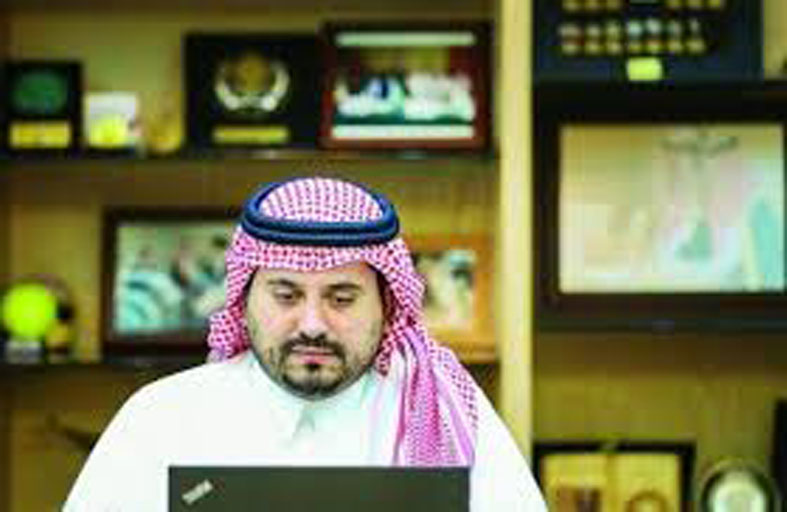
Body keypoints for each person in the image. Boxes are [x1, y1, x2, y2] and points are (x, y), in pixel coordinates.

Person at [63, 177, 547, 510]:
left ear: (386, 304)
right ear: (244, 300)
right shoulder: (163, 419)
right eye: (286, 295)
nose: (313, 324)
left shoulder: (442, 412)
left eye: (342, 298)